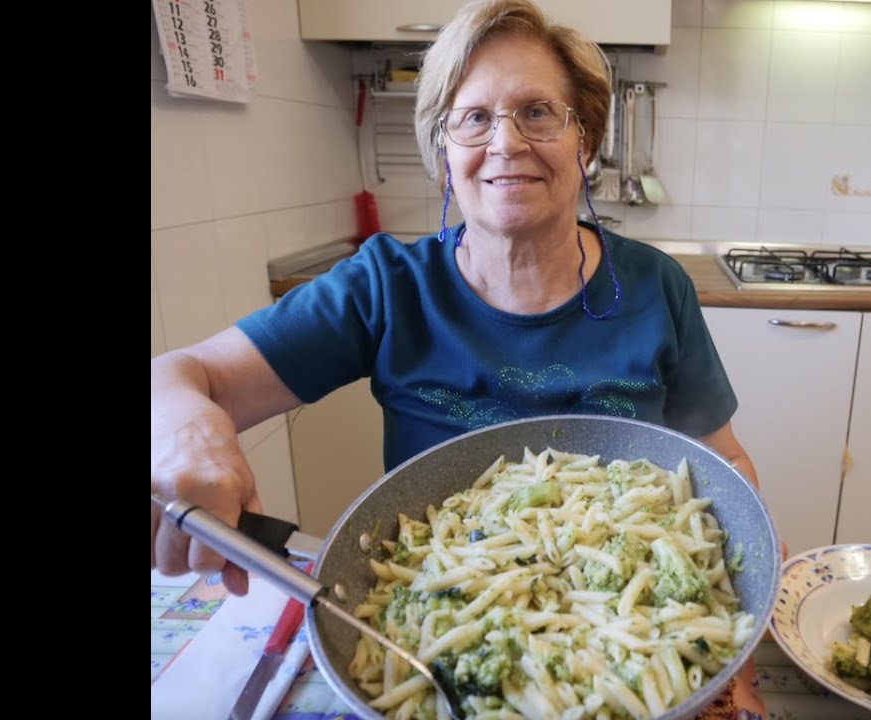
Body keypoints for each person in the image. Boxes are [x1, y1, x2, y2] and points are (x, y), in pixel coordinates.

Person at [150, 0, 760, 598]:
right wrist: (191, 437)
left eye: (538, 112)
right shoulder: (387, 286)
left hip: (632, 621)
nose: (506, 142)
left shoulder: (656, 286)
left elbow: (721, 462)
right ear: (444, 153)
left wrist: (741, 574)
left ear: (586, 138)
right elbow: (180, 376)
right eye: (473, 119)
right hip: (441, 612)